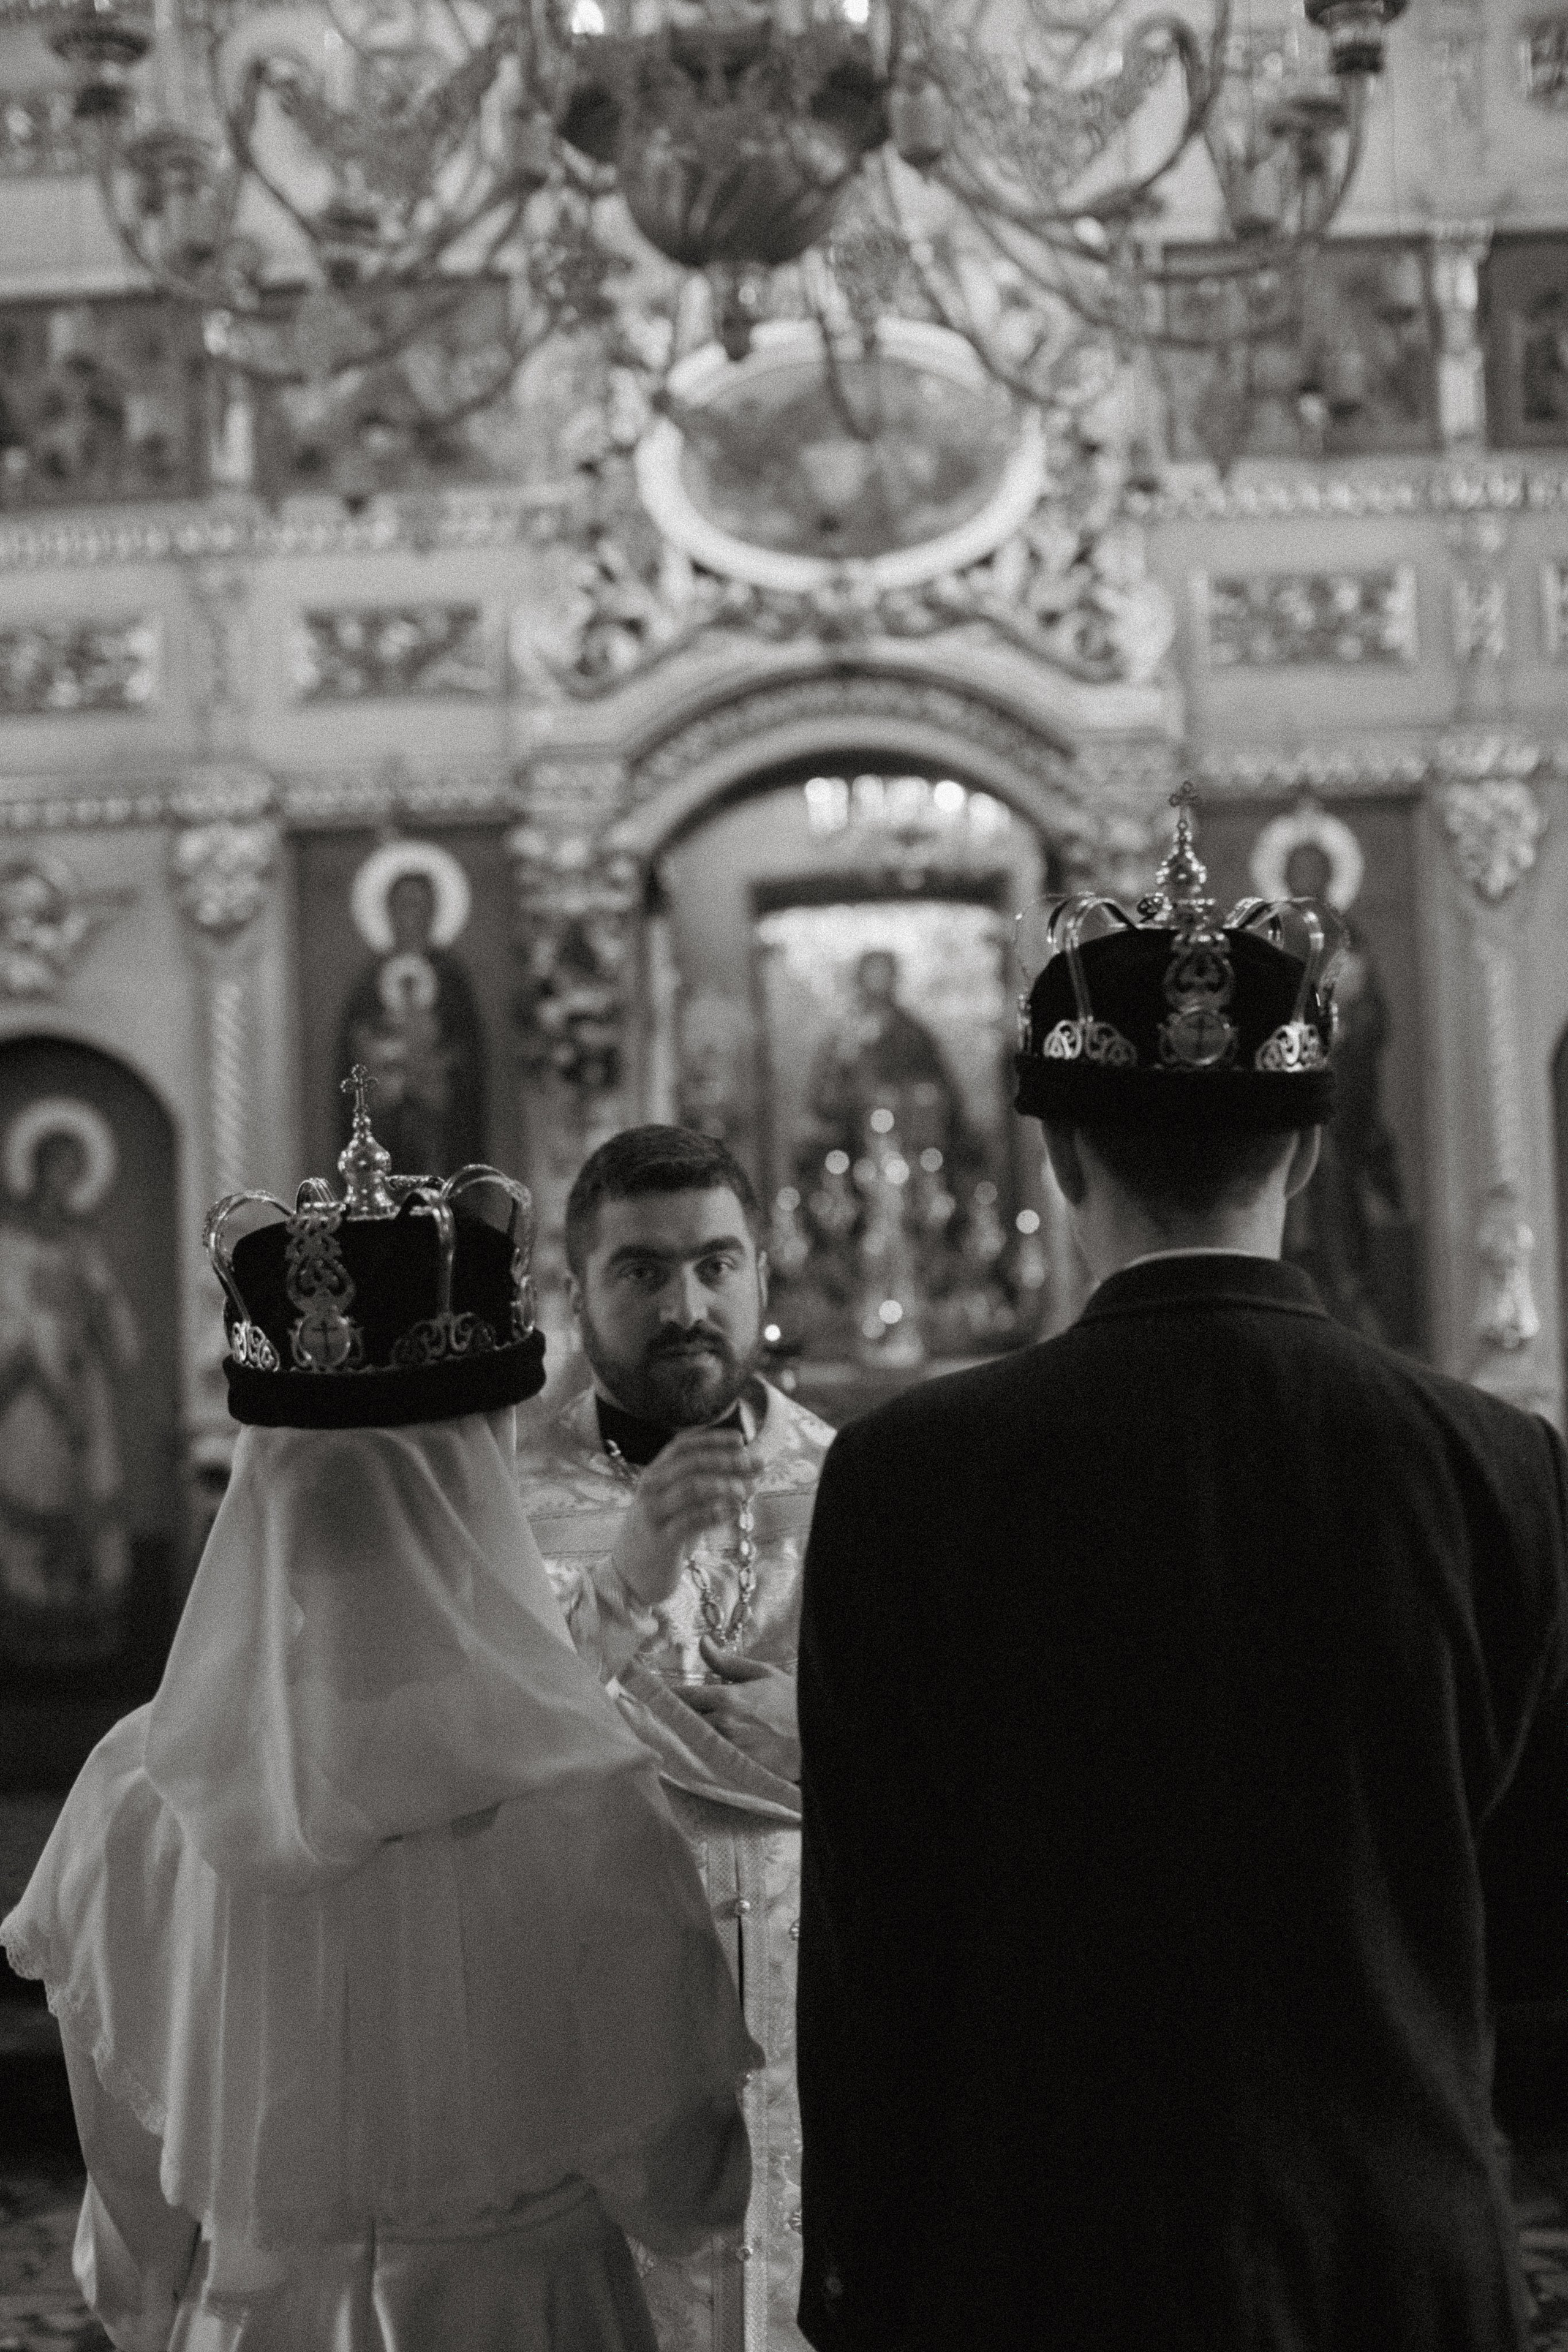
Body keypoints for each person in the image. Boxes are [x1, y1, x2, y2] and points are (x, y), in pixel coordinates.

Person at [795, 798, 1568, 2352]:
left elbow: (871, 1954)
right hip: (1401, 2252)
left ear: (1059, 1146)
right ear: (1304, 1139)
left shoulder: (903, 1478)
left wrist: (857, 2279)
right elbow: (1534, 1919)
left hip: (1032, 2259)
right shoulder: (1495, 1460)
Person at [2, 1074, 758, 2352]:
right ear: (475, 1479)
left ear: (266, 1491)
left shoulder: (141, 1789)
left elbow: (128, 2202)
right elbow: (684, 2190)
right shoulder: (582, 1791)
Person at [517, 1126, 834, 2352]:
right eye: (639, 1273)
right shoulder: (501, 1498)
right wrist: (626, 1590)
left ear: (762, 1270)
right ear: (577, 1291)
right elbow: (485, 1752)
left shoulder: (854, 1483)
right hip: (591, 2001)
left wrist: (830, 1725)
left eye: (715, 1265)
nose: (685, 1304)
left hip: (813, 2001)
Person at [0, 1104, 139, 1666]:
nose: (63, 1181)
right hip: (31, 1398)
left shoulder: (85, 1243)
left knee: (87, 1497)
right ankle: (26, 1639)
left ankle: (91, 1640)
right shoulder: (7, 1243)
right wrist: (43, 1369)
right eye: (53, 1167)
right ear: (32, 1170)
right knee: (36, 1495)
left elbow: (120, 1332)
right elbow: (9, 1320)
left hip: (85, 1387)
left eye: (72, 1170)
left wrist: (98, 1297)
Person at [338, 861, 488, 1175]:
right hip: (385, 1118)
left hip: (440, 1120)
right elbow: (353, 1053)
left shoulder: (451, 979)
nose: (411, 915)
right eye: (402, 906)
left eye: (419, 905)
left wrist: (434, 1067)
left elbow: (468, 1052)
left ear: (433, 912)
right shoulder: (370, 981)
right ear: (388, 913)